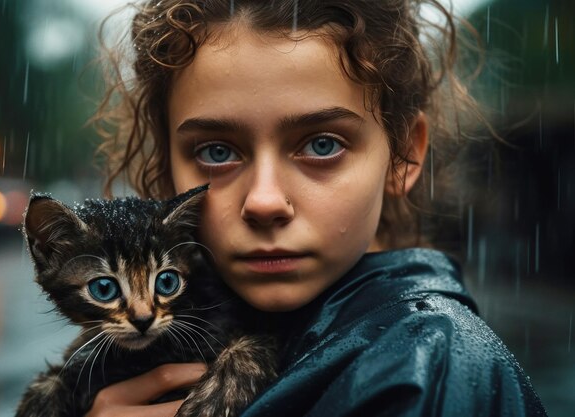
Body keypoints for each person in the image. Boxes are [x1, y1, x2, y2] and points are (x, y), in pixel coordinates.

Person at [88, 0, 548, 416]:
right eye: (215, 152)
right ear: (167, 169)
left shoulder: (422, 371)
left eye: (322, 144)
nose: (265, 201)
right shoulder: (189, 334)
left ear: (402, 154)